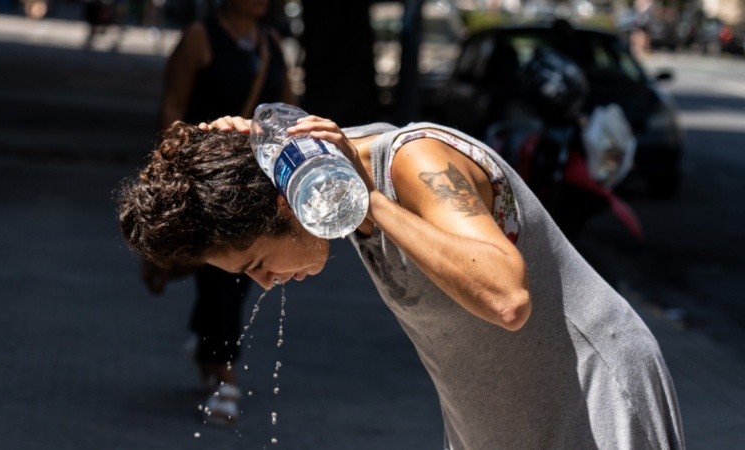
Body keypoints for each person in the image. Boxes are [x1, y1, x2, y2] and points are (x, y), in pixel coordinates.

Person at [117, 113, 685, 448]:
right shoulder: (320, 174)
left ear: (289, 207)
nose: (266, 283)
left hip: (593, 399)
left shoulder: (415, 162)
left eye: (257, 263)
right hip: (499, 419)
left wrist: (363, 198)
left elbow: (507, 298)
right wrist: (237, 150)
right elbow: (292, 151)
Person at [145, 0, 295, 427]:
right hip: (207, 180)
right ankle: (225, 373)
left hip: (257, 182)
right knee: (222, 274)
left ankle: (208, 348)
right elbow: (173, 107)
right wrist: (171, 171)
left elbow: (289, 111)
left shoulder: (270, 43)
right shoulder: (200, 38)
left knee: (237, 279)